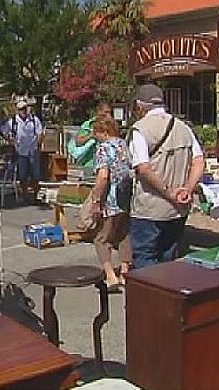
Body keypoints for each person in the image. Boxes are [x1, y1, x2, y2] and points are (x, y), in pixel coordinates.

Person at [128, 84, 205, 269]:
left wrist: (169, 192)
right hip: (178, 208)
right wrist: (187, 189)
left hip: (150, 208)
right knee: (168, 259)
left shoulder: (140, 130)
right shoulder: (184, 128)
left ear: (140, 106)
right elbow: (199, 160)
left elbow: (143, 168)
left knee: (145, 259)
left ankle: (149, 289)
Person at [90, 114, 133, 290]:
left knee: (102, 239)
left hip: (110, 200)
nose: (95, 136)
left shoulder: (103, 148)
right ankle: (125, 272)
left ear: (104, 132)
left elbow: (103, 176)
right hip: (126, 198)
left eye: (96, 132)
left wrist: (95, 200)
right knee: (123, 235)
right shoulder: (124, 144)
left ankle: (110, 275)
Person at [1, 100, 44, 201]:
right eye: (21, 109)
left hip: (33, 151)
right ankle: (25, 195)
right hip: (21, 152)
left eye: (24, 108)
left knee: (35, 175)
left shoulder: (34, 120)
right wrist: (10, 140)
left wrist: (37, 145)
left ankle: (35, 196)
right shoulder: (13, 121)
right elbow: (2, 130)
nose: (23, 111)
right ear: (18, 110)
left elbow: (40, 133)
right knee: (22, 175)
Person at [69, 103, 112, 170]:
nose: (108, 115)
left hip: (104, 164)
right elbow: (78, 142)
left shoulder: (111, 125)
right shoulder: (88, 124)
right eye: (106, 112)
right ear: (99, 111)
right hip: (88, 163)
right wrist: (91, 135)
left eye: (109, 112)